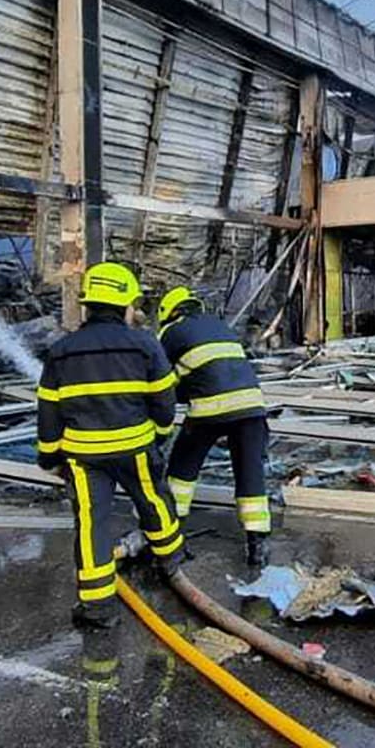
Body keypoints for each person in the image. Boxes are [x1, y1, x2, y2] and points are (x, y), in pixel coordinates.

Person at [37, 262, 186, 629]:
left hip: (84, 458)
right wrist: (161, 435)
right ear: (123, 306)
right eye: (133, 305)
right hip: (135, 448)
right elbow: (165, 401)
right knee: (153, 502)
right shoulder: (144, 345)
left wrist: (49, 457)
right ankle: (171, 563)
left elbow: (49, 413)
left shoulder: (61, 351)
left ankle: (98, 606)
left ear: (89, 306)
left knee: (91, 524)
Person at [156, 285, 272, 566]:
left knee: (183, 468)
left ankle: (172, 533)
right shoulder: (220, 326)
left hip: (210, 408)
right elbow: (211, 370)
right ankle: (258, 547)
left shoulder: (170, 333)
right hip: (252, 408)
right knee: (250, 472)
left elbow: (159, 381)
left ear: (168, 313)